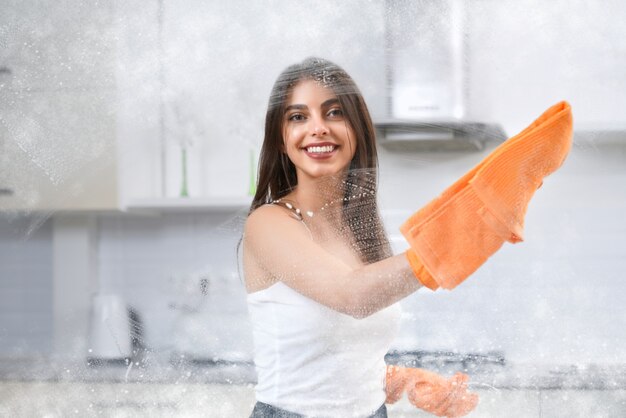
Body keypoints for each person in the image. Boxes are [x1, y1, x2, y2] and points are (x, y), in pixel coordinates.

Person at [241, 57, 572, 417]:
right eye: (298, 116)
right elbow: (351, 296)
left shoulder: (359, 231)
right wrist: (456, 234)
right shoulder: (268, 223)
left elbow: (337, 354)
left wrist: (402, 379)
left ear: (357, 128)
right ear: (280, 137)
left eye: (334, 113)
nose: (318, 128)